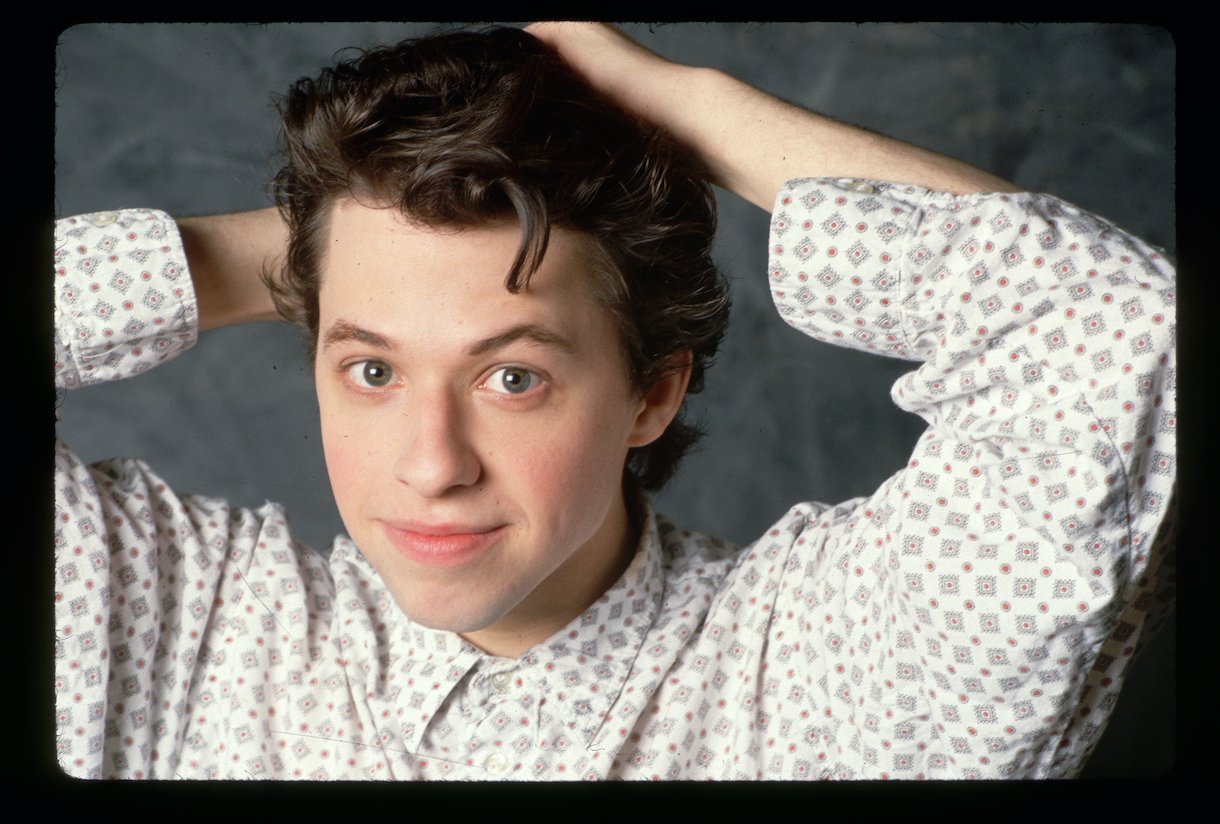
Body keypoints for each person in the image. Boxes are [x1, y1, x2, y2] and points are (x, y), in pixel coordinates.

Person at [54, 23, 1176, 780]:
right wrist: (335, 243)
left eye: (512, 377)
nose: (431, 463)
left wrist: (684, 108)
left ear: (651, 392)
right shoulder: (176, 618)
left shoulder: (834, 667)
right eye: (373, 369)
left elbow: (1108, 326)